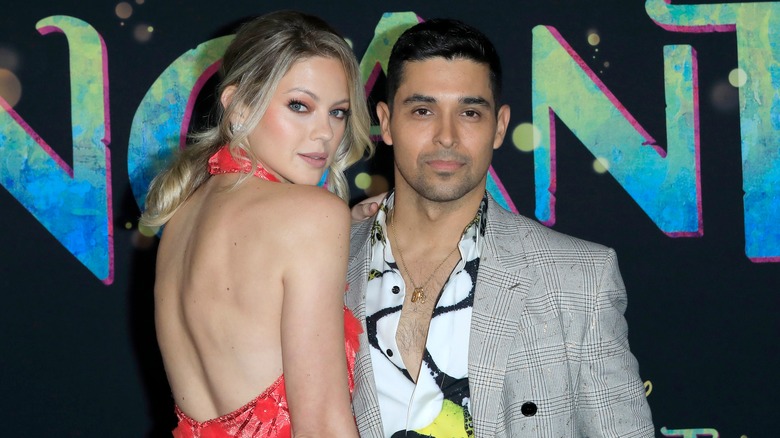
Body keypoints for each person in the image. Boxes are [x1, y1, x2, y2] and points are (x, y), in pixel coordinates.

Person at [345, 18, 655, 437]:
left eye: (470, 112)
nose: (447, 136)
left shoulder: (579, 278)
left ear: (500, 126)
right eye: (422, 110)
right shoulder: (325, 259)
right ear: (386, 121)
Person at [140, 11, 372, 437]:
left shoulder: (184, 215)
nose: (324, 132)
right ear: (240, 104)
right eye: (300, 106)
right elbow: (321, 425)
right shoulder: (312, 215)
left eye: (338, 112)